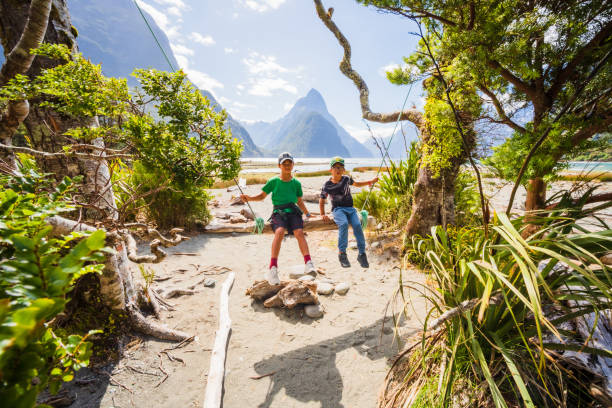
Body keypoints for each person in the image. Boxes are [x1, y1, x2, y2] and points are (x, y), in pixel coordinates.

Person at [240, 152, 316, 284]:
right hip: (278, 212)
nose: (287, 166)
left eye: (289, 163)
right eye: (284, 164)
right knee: (280, 231)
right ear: (279, 166)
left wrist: (308, 214)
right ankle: (273, 268)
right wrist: (249, 198)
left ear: (293, 165)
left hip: (294, 212)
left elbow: (299, 201)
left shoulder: (296, 183)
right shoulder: (273, 181)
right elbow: (262, 196)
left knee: (299, 232)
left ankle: (308, 263)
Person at [319, 157, 378, 268]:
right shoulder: (327, 185)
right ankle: (342, 253)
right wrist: (322, 214)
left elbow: (357, 184)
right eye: (336, 167)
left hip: (350, 209)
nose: (338, 169)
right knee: (344, 224)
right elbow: (322, 200)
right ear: (330, 170)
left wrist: (370, 181)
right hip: (338, 210)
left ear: (344, 170)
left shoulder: (346, 179)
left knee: (357, 225)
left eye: (341, 167)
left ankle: (361, 253)